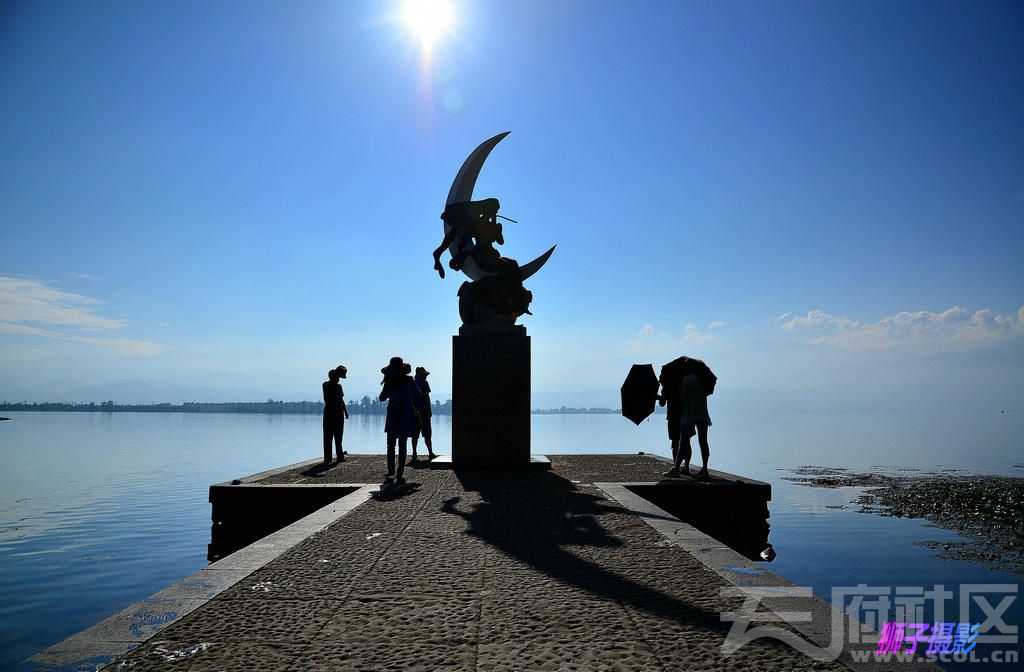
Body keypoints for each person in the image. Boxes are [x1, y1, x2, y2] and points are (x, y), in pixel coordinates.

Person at [379, 356, 419, 485]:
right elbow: (418, 395)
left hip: (393, 414)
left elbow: (381, 398)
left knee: (391, 444)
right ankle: (400, 472)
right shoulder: (409, 380)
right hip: (406, 415)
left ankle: (391, 470)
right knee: (403, 444)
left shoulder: (389, 381)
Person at [664, 373, 712, 479]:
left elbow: (683, 397)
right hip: (703, 414)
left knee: (683, 442)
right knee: (703, 442)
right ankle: (704, 469)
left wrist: (681, 389)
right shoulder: (704, 380)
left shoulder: (686, 379)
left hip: (689, 414)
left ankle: (676, 469)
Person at [322, 365, 349, 465]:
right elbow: (327, 399)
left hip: (339, 412)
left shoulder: (339, 386)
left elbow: (342, 400)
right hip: (329, 412)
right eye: (337, 377)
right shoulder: (326, 385)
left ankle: (340, 456)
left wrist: (345, 411)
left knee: (339, 435)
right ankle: (327, 458)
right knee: (328, 436)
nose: (338, 380)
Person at [410, 366, 437, 461]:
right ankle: (430, 453)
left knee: (415, 434)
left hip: (414, 412)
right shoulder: (425, 383)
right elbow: (426, 398)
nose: (426, 377)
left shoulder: (412, 383)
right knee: (427, 433)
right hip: (424, 412)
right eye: (424, 375)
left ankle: (414, 453)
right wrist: (429, 410)